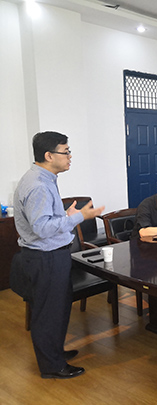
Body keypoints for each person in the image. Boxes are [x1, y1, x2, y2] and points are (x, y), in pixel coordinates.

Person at [13, 131, 104, 379]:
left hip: (53, 255)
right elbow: (42, 229)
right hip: (46, 257)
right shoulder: (38, 185)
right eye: (66, 152)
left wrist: (65, 215)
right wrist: (79, 217)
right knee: (48, 313)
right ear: (49, 155)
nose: (70, 156)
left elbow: (45, 220)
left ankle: (54, 353)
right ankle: (52, 366)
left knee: (58, 308)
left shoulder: (45, 178)